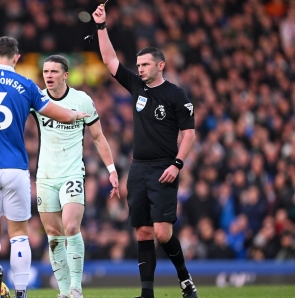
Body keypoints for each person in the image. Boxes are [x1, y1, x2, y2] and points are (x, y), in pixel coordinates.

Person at [0, 36, 89, 298]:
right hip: (16, 168)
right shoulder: (27, 85)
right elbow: (57, 112)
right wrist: (74, 115)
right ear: (17, 58)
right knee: (19, 234)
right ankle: (21, 292)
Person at [92, 5, 198, 298]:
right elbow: (110, 60)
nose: (139, 69)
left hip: (165, 166)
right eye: (138, 65)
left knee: (163, 232)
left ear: (160, 65)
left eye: (145, 65)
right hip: (138, 168)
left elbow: (189, 134)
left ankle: (185, 279)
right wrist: (101, 27)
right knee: (142, 232)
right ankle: (147, 293)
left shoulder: (176, 95)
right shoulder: (136, 86)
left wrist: (177, 164)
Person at [32, 55, 120, 298]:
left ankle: (76, 289)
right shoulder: (37, 98)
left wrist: (112, 170)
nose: (48, 75)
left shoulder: (82, 100)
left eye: (54, 71)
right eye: (46, 71)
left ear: (66, 75)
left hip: (72, 173)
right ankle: (63, 291)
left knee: (71, 226)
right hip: (46, 176)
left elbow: (98, 137)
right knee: (53, 236)